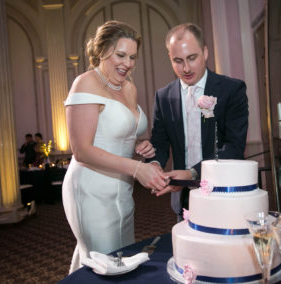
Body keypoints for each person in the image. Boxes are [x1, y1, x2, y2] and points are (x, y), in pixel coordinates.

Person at [62, 20, 167, 273]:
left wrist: (142, 145)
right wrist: (136, 169)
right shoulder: (85, 83)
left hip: (122, 188)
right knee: (101, 264)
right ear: (101, 51)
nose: (128, 63)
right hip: (90, 189)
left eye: (132, 57)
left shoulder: (130, 88)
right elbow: (82, 150)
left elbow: (127, 132)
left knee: (122, 259)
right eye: (120, 55)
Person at [148, 23, 249, 220]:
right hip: (183, 198)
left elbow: (234, 147)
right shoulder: (164, 96)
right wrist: (154, 165)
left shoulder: (232, 90)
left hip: (224, 193)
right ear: (170, 58)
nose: (185, 68)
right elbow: (159, 143)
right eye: (178, 61)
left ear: (205, 52)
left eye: (192, 58)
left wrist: (192, 173)